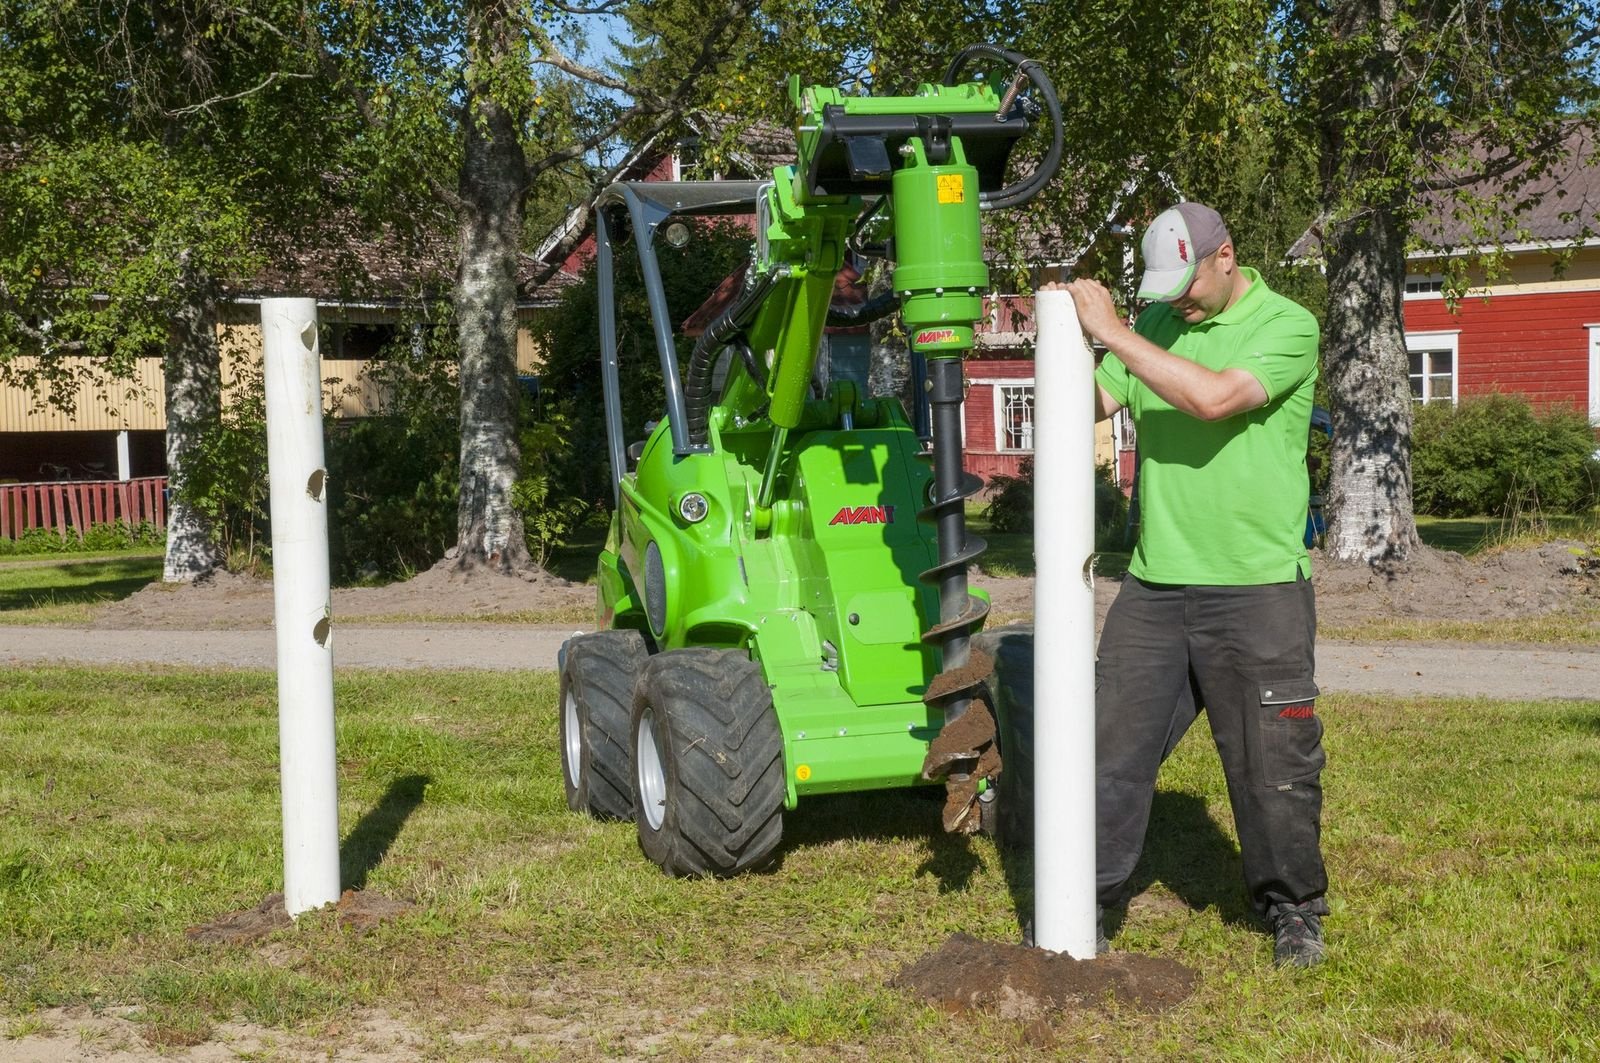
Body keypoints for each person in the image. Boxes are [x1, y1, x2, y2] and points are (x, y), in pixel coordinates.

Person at [1054, 201, 1329, 967]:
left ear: (1227, 256)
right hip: (1155, 586)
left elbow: (1212, 400)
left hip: (1259, 584)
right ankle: (1088, 899)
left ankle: (1294, 911)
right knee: (1107, 749)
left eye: (1188, 280)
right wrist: (1062, 342)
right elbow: (1089, 404)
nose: (1177, 297)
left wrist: (1114, 332)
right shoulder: (1160, 328)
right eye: (1164, 286)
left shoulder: (1288, 325)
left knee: (1272, 763)